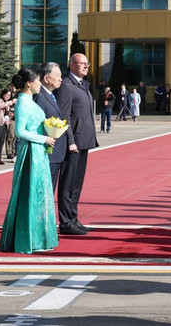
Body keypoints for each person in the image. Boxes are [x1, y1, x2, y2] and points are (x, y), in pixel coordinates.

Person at [0, 67, 58, 254]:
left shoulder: (29, 100)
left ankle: (38, 238)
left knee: (39, 195)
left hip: (38, 153)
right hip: (30, 153)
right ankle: (28, 239)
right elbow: (20, 132)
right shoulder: (23, 103)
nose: (40, 84)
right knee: (30, 194)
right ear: (28, 84)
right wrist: (44, 138)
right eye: (38, 81)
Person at [55, 52, 98, 236]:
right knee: (68, 183)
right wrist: (70, 141)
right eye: (82, 64)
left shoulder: (82, 85)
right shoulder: (66, 86)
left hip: (84, 141)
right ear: (71, 65)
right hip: (73, 144)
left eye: (87, 64)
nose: (86, 66)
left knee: (77, 184)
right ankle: (65, 222)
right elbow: (63, 117)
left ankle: (73, 218)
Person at [33, 62, 68, 191]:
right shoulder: (39, 96)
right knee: (45, 191)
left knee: (50, 190)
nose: (61, 79)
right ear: (46, 78)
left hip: (56, 152)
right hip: (47, 153)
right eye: (57, 76)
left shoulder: (51, 95)